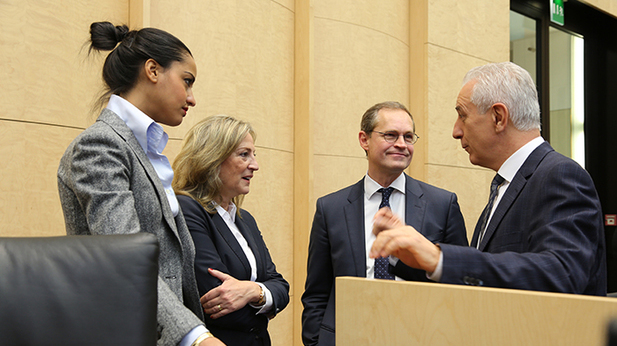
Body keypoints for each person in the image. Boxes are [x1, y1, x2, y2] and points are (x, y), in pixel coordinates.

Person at [370, 62, 607, 296]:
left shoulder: (560, 175)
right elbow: (484, 280)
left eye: (462, 116)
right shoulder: (506, 184)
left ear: (498, 117)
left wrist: (439, 258)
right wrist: (410, 254)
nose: (456, 131)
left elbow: (562, 273)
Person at [57, 22, 224, 346]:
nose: (192, 98)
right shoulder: (100, 146)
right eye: (186, 81)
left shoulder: (143, 150)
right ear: (152, 70)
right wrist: (196, 337)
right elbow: (126, 258)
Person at [301, 101, 469, 345]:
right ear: (364, 140)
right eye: (390, 135)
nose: (401, 144)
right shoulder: (331, 208)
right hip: (348, 336)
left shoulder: (442, 204)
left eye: (408, 137)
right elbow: (317, 292)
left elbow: (460, 282)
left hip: (420, 336)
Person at [172, 115, 289, 346]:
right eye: (244, 154)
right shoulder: (187, 209)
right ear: (212, 157)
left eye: (254, 155)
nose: (255, 165)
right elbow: (215, 299)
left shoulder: (245, 220)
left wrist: (253, 292)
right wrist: (266, 301)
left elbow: (281, 286)